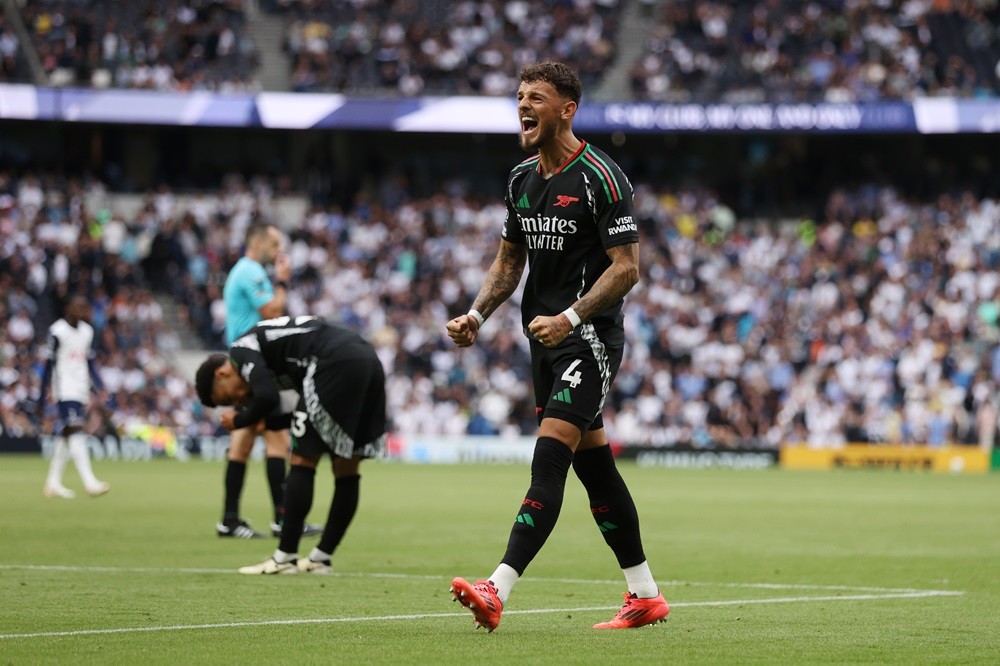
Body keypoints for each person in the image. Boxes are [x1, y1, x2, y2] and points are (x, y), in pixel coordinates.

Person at [445, 61, 669, 631]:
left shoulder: (602, 175)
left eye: (536, 98)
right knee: (596, 471)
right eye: (519, 96)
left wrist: (570, 316)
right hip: (542, 343)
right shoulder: (521, 179)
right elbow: (508, 262)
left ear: (566, 109)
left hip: (587, 339)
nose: (523, 106)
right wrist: (476, 313)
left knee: (549, 462)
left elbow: (628, 269)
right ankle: (644, 594)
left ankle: (496, 589)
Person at [194, 315, 386, 574]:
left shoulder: (240, 350)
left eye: (230, 395)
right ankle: (321, 558)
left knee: (302, 460)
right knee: (347, 466)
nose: (240, 398)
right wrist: (271, 424)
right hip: (367, 359)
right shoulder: (276, 356)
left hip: (332, 360)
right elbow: (301, 407)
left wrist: (240, 419)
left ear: (223, 373)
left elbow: (267, 396)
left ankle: (284, 559)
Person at [218, 222, 319, 539]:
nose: (279, 253)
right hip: (252, 360)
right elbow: (273, 312)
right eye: (275, 246)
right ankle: (259, 519)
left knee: (260, 437)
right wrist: (283, 281)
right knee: (262, 438)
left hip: (249, 360)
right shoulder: (252, 272)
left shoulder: (241, 271)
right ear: (258, 241)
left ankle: (246, 519)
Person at [38, 295, 110, 499]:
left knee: (67, 434)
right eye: (78, 308)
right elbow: (48, 366)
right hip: (64, 389)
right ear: (69, 309)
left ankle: (52, 483)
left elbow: (89, 362)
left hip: (80, 389)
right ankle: (90, 482)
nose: (82, 313)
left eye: (84, 309)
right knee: (76, 432)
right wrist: (41, 398)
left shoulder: (87, 332)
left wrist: (100, 386)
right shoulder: (57, 332)